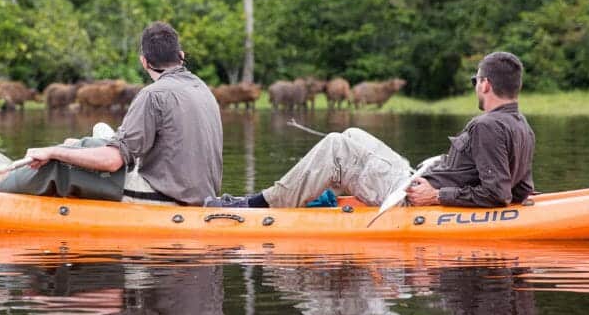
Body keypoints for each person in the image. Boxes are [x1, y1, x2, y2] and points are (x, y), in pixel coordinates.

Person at [207, 51, 534, 208]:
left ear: (486, 84)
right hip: (413, 180)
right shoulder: (521, 125)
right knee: (352, 135)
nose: (475, 85)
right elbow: (520, 190)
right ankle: (315, 195)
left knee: (336, 146)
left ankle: (258, 204)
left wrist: (437, 196)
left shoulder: (488, 126)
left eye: (475, 80)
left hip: (411, 197)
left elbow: (498, 193)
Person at [0, 21, 223, 206]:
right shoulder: (202, 89)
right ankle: (11, 175)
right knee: (88, 144)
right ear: (181, 55)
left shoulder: (153, 95)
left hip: (168, 195)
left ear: (144, 62)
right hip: (198, 190)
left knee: (61, 166)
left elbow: (112, 162)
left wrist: (53, 152)